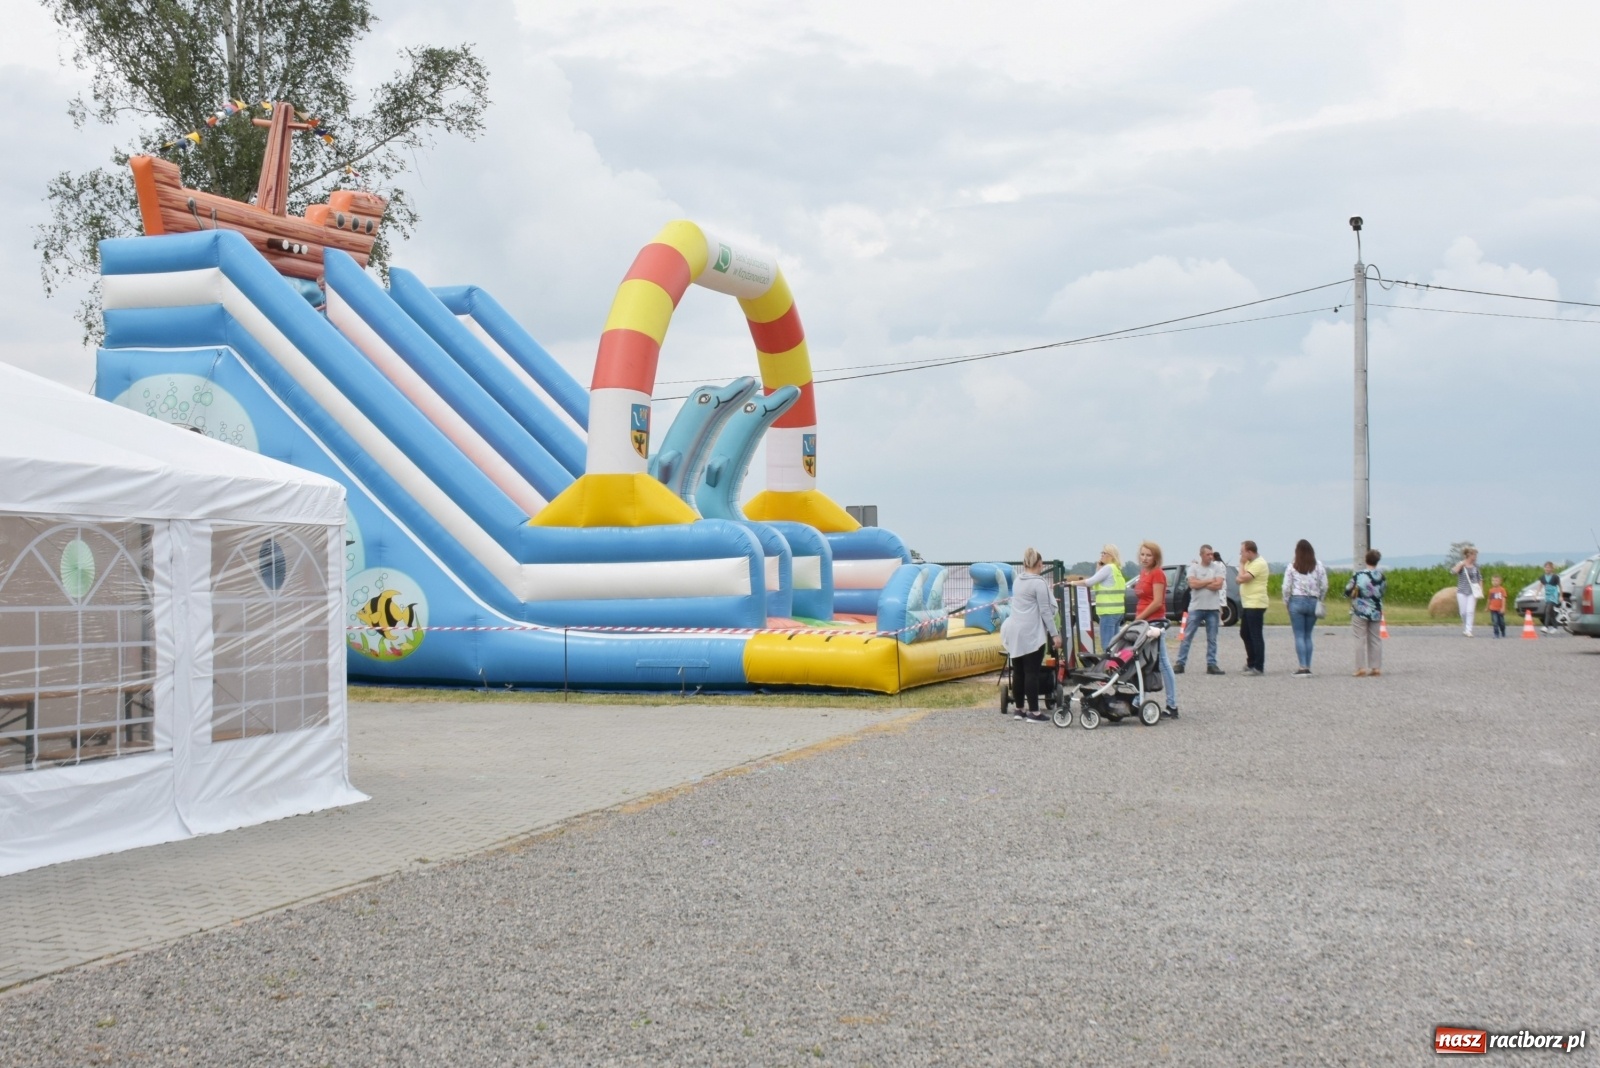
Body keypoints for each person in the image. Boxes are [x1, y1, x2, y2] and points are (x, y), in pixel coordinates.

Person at [1001, 547, 1062, 721]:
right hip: (1030, 632)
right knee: (1032, 672)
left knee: (1018, 671)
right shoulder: (1039, 582)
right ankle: (1034, 711)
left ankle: (1019, 709)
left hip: (1014, 630)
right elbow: (1045, 611)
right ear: (1040, 564)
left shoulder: (1018, 580)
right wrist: (1055, 634)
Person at [1131, 541, 1179, 717]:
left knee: (1163, 663)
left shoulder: (1158, 574)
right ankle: (1138, 699)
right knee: (1142, 662)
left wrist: (1139, 618)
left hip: (1155, 622)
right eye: (1142, 554)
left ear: (1156, 557)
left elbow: (1157, 601)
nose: (1144, 558)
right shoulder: (1144, 573)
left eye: (1148, 555)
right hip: (1143, 622)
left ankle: (1172, 705)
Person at [1175, 543, 1226, 675]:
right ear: (1201, 555)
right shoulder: (1194, 568)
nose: (1210, 556)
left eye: (1211, 554)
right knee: (1187, 636)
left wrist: (1201, 583)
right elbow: (1192, 584)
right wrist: (1209, 581)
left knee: (1212, 638)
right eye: (1208, 554)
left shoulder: (1217, 568)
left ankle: (1212, 664)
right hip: (1196, 608)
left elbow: (1219, 585)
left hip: (1213, 608)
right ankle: (1180, 663)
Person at [1065, 544, 1127, 650]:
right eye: (1101, 553)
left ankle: (1108, 666)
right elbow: (1096, 582)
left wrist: (1071, 583)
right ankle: (1116, 666)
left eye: (1104, 553)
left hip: (1108, 613)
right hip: (1118, 612)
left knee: (1107, 646)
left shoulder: (1108, 568)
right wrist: (1098, 568)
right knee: (1115, 646)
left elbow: (1090, 582)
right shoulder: (1117, 569)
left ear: (1111, 556)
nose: (1101, 556)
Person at [1282, 539, 1327, 677]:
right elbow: (1324, 585)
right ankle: (1308, 665)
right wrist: (1321, 599)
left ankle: (1302, 667)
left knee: (1299, 635)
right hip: (1313, 601)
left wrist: (1286, 602)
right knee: (1308, 635)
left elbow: (1286, 587)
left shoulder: (1292, 566)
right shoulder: (1318, 566)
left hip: (1296, 600)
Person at [1346, 549, 1387, 675]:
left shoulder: (1358, 575)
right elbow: (1383, 592)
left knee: (1360, 638)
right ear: (1377, 561)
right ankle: (1376, 667)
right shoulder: (1381, 577)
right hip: (1375, 610)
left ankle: (1360, 668)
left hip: (1360, 610)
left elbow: (1348, 589)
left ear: (1366, 559)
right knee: (1375, 639)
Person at [1237, 541, 1269, 675]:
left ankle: (1258, 666)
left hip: (1256, 603)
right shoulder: (1250, 563)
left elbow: (1242, 578)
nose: (1241, 554)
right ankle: (1251, 661)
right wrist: (1244, 564)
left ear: (1250, 552)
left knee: (1255, 635)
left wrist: (1241, 564)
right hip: (1248, 603)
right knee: (1245, 633)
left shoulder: (1259, 563)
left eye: (1242, 551)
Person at [1451, 547, 1482, 637]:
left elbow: (1480, 578)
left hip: (1472, 592)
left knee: (1470, 611)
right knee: (1463, 612)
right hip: (1462, 591)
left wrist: (1480, 589)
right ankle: (1465, 626)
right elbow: (1453, 572)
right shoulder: (1461, 564)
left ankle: (1469, 630)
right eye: (1474, 555)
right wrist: (1461, 565)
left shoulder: (1476, 566)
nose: (1475, 557)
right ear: (1469, 555)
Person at [1539, 561, 1562, 632]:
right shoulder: (1543, 577)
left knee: (1548, 610)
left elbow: (1560, 586)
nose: (1547, 569)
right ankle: (1555, 626)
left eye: (1549, 567)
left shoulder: (1555, 577)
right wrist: (1536, 594)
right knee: (1551, 612)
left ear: (1552, 569)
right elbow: (1540, 585)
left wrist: (1561, 595)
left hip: (1554, 595)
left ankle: (1546, 626)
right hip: (1547, 596)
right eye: (1546, 567)